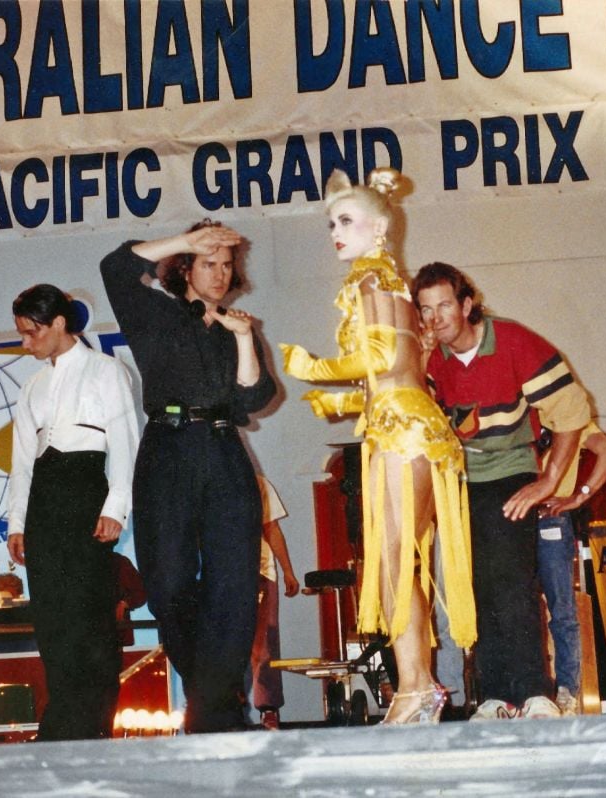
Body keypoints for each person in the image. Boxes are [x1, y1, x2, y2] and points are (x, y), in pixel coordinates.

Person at [281, 169, 476, 725]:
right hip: (410, 423)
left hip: (401, 432)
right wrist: (341, 405)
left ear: (379, 226)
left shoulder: (368, 279)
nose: (335, 233)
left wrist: (315, 369)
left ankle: (416, 686)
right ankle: (417, 687)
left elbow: (385, 359)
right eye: (331, 224)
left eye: (346, 221)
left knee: (393, 562)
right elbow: (404, 369)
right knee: (398, 563)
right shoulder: (390, 279)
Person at [100, 221, 277, 733]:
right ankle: (214, 702)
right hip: (168, 452)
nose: (220, 273)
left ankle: (213, 713)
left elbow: (252, 398)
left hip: (223, 451)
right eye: (208, 262)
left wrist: (243, 338)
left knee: (234, 588)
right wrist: (184, 240)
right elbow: (115, 267)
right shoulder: (153, 312)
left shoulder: (237, 326)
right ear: (186, 268)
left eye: (226, 264)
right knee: (169, 583)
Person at [413, 262, 591, 720]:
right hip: (460, 481)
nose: (436, 319)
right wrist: (418, 358)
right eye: (425, 310)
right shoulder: (429, 358)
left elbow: (571, 410)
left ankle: (536, 692)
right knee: (477, 588)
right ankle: (494, 695)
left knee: (513, 583)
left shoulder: (511, 341)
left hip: (511, 473)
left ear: (467, 305)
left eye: (444, 306)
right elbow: (411, 417)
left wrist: (548, 480)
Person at [7, 283, 140, 740]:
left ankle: (92, 726)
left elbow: (125, 444)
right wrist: (17, 524)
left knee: (90, 620)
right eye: (22, 334)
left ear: (59, 323)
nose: (26, 344)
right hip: (44, 504)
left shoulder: (108, 372)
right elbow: (22, 461)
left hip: (88, 495)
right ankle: (61, 726)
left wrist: (116, 507)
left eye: (31, 333)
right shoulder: (33, 385)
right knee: (53, 620)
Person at [538, 422, 606, 715]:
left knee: (562, 608)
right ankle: (530, 693)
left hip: (550, 517)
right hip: (510, 519)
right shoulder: (510, 405)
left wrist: (578, 496)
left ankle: (568, 693)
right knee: (517, 611)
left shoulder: (568, 410)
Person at [248, 475, 300, 730]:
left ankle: (268, 710)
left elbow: (272, 528)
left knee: (264, 644)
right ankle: (225, 710)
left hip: (260, 572)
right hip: (220, 574)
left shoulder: (258, 483)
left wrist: (288, 571)